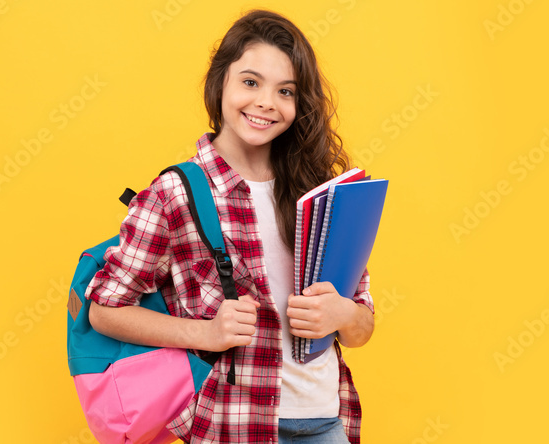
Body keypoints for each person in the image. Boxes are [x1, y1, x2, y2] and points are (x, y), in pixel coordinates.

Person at [85, 9, 375, 444]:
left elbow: (362, 325)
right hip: (237, 425)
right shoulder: (175, 193)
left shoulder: (320, 193)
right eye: (250, 82)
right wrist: (203, 332)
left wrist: (346, 315)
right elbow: (104, 309)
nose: (265, 103)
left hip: (327, 419)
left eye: (285, 91)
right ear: (221, 82)